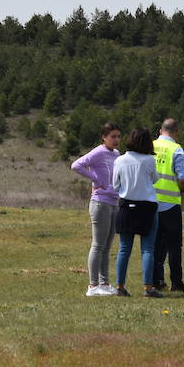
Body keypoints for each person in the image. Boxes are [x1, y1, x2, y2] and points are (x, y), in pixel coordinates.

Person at [70, 122, 121, 296]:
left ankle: (104, 283)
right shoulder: (98, 152)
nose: (116, 140)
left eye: (118, 136)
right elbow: (77, 165)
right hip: (100, 203)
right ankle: (92, 286)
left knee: (107, 246)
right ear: (104, 137)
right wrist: (96, 180)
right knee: (98, 244)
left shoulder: (116, 154)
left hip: (114, 202)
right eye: (112, 136)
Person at [111, 127, 161, 298]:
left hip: (126, 206)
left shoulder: (120, 160)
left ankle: (120, 286)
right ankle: (148, 288)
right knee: (147, 249)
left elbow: (115, 185)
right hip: (147, 207)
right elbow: (155, 179)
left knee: (124, 248)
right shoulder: (149, 160)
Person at [152, 118, 184, 292]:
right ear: (176, 133)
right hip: (170, 204)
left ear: (160, 131)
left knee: (154, 245)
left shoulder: (149, 146)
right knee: (174, 245)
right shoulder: (176, 149)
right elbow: (182, 177)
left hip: (151, 202)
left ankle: (156, 280)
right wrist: (181, 189)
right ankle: (176, 282)